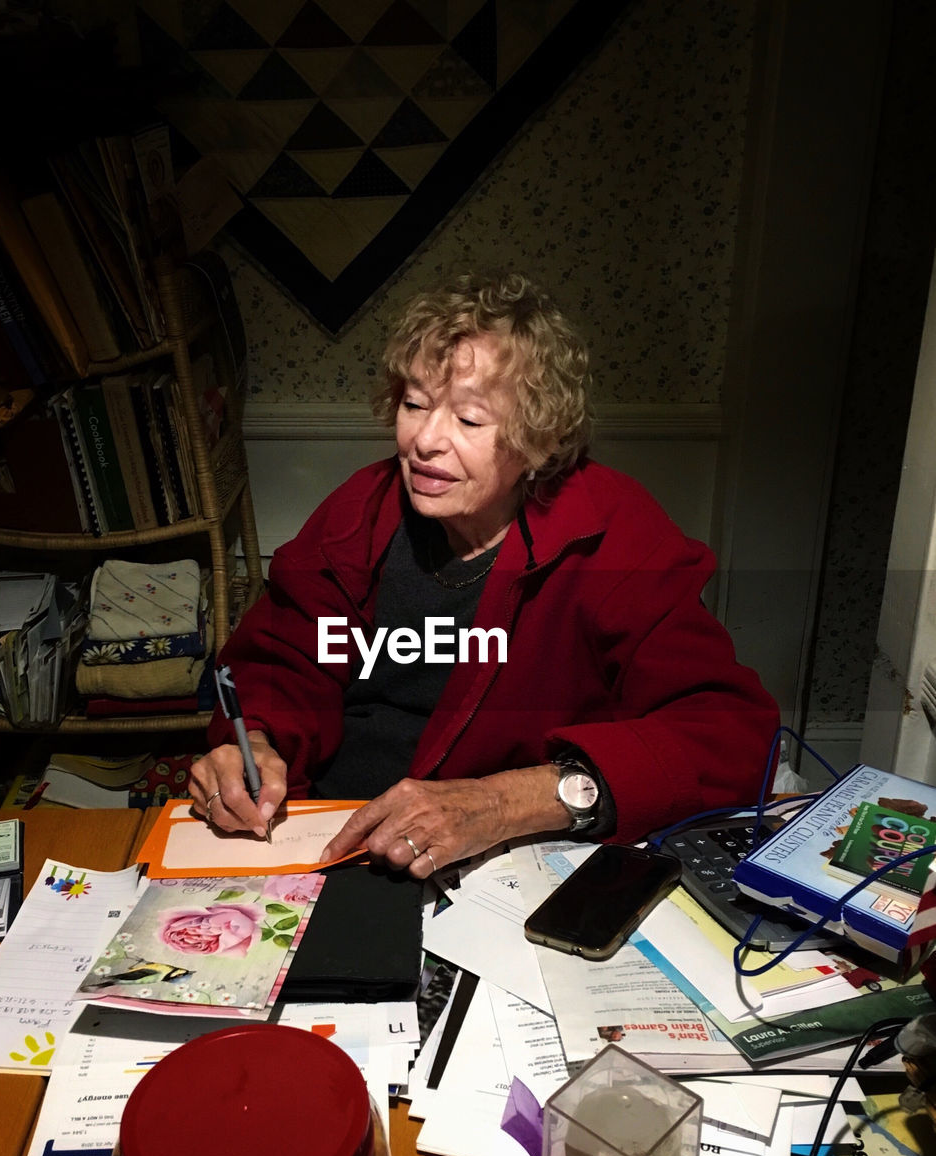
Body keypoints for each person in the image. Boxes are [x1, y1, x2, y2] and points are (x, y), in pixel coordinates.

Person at [189, 272, 779, 878]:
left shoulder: (615, 534)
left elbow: (732, 736)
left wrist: (503, 802)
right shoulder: (359, 510)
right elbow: (277, 663)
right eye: (414, 404)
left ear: (540, 439)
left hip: (490, 870)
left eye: (470, 421)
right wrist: (253, 742)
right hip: (325, 841)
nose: (425, 440)